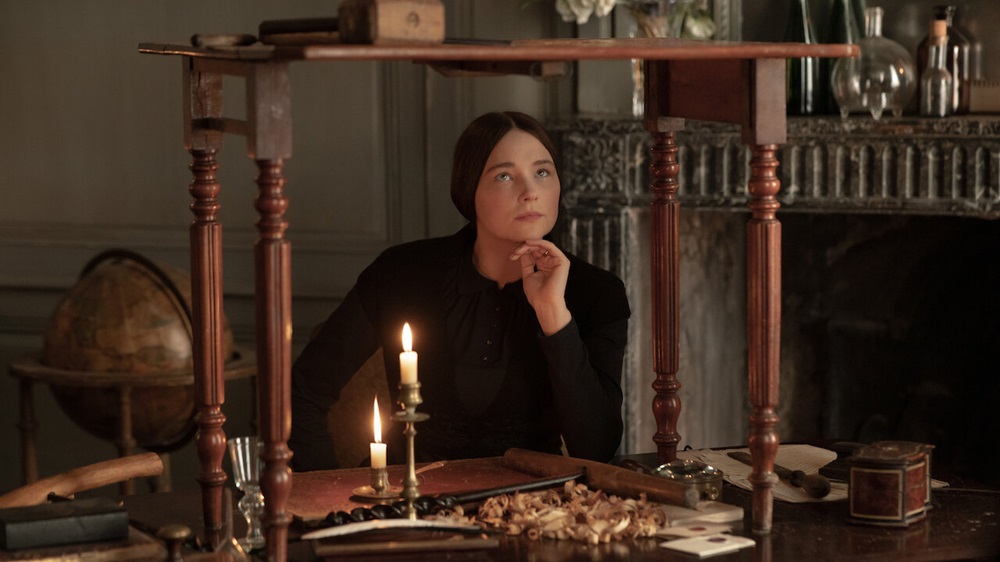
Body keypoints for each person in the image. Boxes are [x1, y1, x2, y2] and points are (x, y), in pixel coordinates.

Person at [289, 111, 630, 471]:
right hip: (408, 497)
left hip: (533, 501)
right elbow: (302, 392)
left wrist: (554, 315)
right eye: (504, 176)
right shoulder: (401, 273)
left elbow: (597, 448)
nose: (531, 192)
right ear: (470, 191)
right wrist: (324, 492)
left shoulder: (597, 293)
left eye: (542, 172)